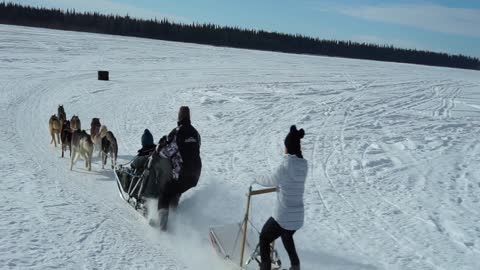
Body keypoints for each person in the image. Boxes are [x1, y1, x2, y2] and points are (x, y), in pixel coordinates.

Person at [253, 125, 308, 270]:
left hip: (283, 216)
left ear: (288, 147)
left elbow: (269, 180)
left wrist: (255, 177)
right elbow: (290, 182)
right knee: (287, 236)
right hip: (297, 217)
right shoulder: (303, 166)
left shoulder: (285, 166)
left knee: (264, 238)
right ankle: (295, 266)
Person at [156, 106, 202, 230]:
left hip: (182, 173)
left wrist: (159, 148)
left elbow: (166, 152)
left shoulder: (177, 132)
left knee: (165, 190)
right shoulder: (195, 133)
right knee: (176, 190)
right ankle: (174, 217)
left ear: (179, 116)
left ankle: (162, 226)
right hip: (195, 174)